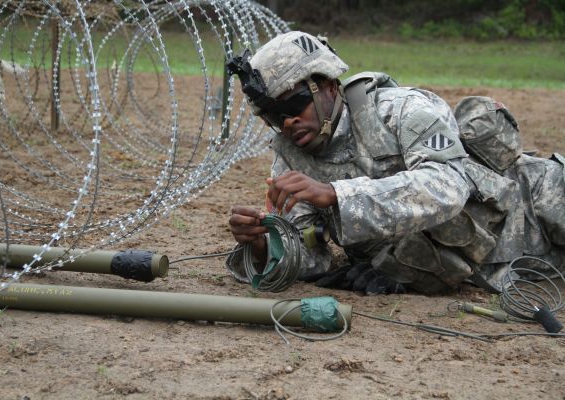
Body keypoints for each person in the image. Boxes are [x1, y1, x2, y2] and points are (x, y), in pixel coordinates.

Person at [225, 31, 565, 294]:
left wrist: (336, 194)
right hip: (512, 271)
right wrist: (261, 245)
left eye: (294, 106)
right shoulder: (291, 159)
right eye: (273, 116)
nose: (286, 123)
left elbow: (447, 185)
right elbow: (310, 253)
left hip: (541, 205)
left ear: (327, 85)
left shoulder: (400, 110)